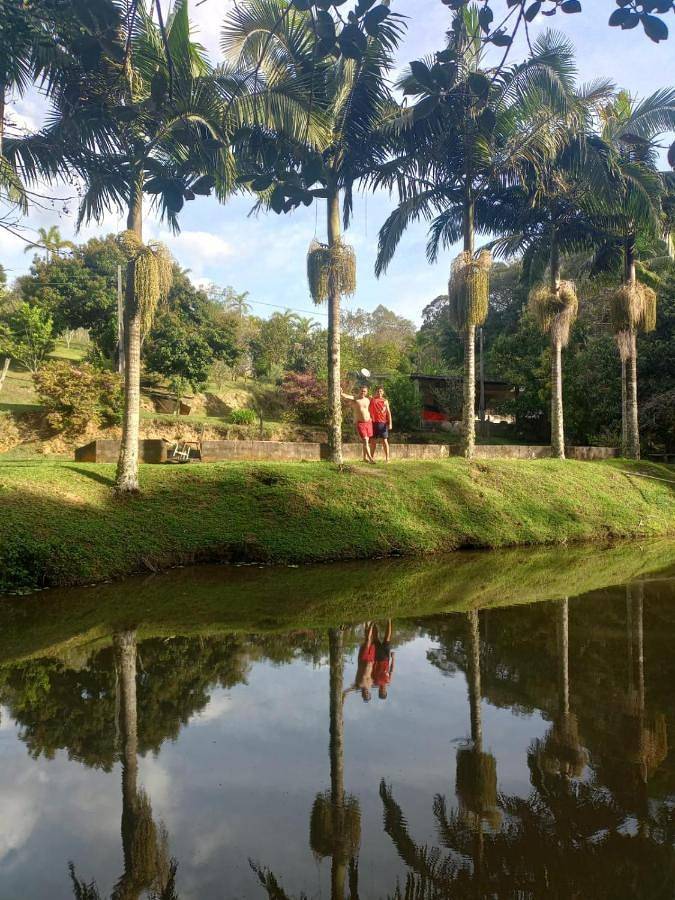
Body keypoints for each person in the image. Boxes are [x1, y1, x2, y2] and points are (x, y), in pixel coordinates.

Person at [341, 384, 375, 463]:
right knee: (365, 440)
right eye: (362, 391)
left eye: (364, 391)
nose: (363, 392)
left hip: (368, 422)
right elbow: (347, 396)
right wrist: (341, 393)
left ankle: (364, 458)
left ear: (366, 392)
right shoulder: (355, 399)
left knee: (366, 440)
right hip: (360, 423)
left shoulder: (368, 399)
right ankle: (371, 459)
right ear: (359, 391)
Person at [344, 623, 376, 702]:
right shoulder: (371, 684)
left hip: (363, 659)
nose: (366, 694)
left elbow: (348, 690)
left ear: (362, 695)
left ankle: (371, 624)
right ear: (369, 693)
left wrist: (344, 697)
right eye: (367, 695)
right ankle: (367, 624)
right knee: (369, 640)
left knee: (368, 640)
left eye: (365, 695)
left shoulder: (358, 686)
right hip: (371, 660)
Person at [369, 386, 393, 463]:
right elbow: (363, 395)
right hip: (374, 423)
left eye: (381, 391)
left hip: (383, 423)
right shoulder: (372, 399)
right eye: (378, 391)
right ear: (375, 392)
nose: (379, 393)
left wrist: (390, 423)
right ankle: (371, 458)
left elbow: (388, 413)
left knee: (384, 441)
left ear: (383, 392)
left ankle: (387, 459)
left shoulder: (385, 401)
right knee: (373, 441)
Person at [372, 620, 395, 700]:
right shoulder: (388, 681)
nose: (382, 690)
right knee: (387, 638)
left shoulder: (375, 681)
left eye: (380, 692)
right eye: (383, 692)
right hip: (386, 658)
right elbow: (391, 670)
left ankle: (373, 621)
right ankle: (389, 619)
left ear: (378, 691)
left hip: (377, 658)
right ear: (386, 691)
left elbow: (371, 670)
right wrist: (393, 658)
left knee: (375, 638)